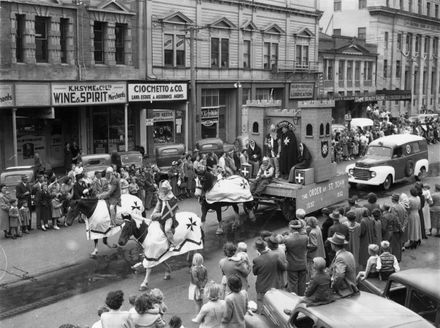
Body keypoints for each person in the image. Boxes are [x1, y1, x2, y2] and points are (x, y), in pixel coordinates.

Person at [252, 238, 287, 312]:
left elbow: (254, 272)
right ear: (265, 246)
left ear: (257, 249)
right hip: (275, 285)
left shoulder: (256, 260)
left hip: (262, 288)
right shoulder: (275, 255)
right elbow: (283, 267)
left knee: (261, 308)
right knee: (276, 307)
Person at [327, 233, 359, 297]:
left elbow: (339, 275)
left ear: (333, 245)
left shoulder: (340, 257)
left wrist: (333, 288)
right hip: (352, 287)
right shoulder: (349, 254)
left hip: (345, 291)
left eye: (331, 243)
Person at [150, 179, 179, 247]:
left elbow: (171, 210)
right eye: (162, 188)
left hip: (169, 216)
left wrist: (161, 215)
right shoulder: (161, 196)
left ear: (167, 189)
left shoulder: (172, 198)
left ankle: (173, 243)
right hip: (161, 214)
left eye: (164, 189)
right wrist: (154, 213)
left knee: (167, 229)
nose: (163, 190)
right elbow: (158, 206)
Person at [284, 219, 308, 296]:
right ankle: (302, 299)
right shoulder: (305, 237)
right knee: (302, 284)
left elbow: (284, 251)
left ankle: (294, 301)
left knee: (293, 284)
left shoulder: (287, 240)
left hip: (292, 265)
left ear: (291, 228)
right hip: (303, 263)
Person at [305, 216, 325, 281]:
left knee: (313, 271)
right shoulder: (318, 228)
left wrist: (307, 247)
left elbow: (314, 245)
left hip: (314, 254)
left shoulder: (312, 232)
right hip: (321, 252)